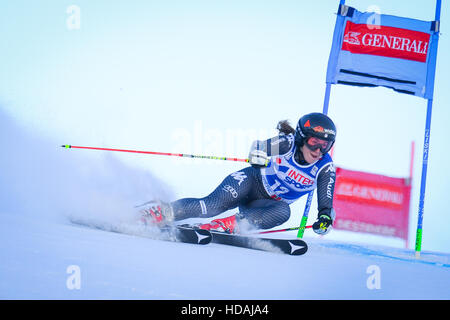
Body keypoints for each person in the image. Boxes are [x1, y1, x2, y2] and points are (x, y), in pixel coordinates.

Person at [140, 112, 337, 236]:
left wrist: (325, 219)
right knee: (210, 205)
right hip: (250, 182)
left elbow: (326, 204)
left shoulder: (324, 168)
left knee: (284, 211)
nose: (319, 150)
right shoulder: (287, 142)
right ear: (302, 138)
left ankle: (225, 225)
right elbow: (260, 147)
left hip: (266, 205)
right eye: (314, 143)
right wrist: (257, 155)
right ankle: (158, 212)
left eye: (325, 145)